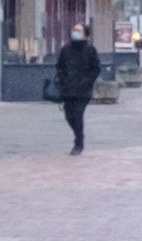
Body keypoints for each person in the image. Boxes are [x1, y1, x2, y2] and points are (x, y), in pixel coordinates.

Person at [54, 24, 100, 156]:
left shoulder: (90, 50)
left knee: (78, 115)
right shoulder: (65, 49)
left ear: (85, 34)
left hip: (83, 90)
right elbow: (59, 66)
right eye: (73, 29)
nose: (74, 32)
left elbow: (96, 68)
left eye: (78, 30)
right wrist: (63, 79)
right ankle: (78, 134)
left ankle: (78, 143)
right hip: (68, 89)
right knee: (69, 116)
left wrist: (87, 81)